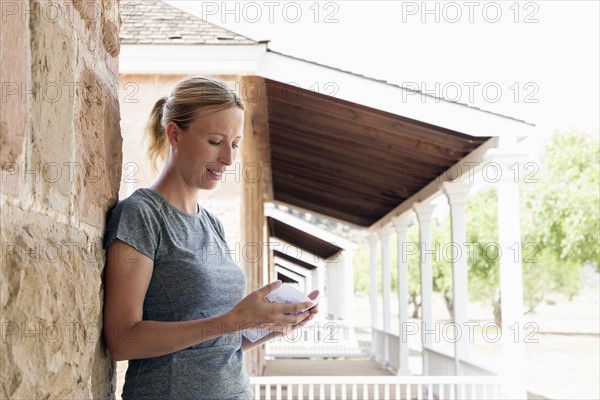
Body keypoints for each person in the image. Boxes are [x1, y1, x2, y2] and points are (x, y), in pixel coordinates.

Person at [103, 76, 319, 399]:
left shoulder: (212, 224)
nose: (229, 159)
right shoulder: (142, 216)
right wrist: (232, 321)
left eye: (234, 144)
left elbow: (220, 339)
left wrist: (270, 324)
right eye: (216, 141)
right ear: (174, 134)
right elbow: (121, 339)